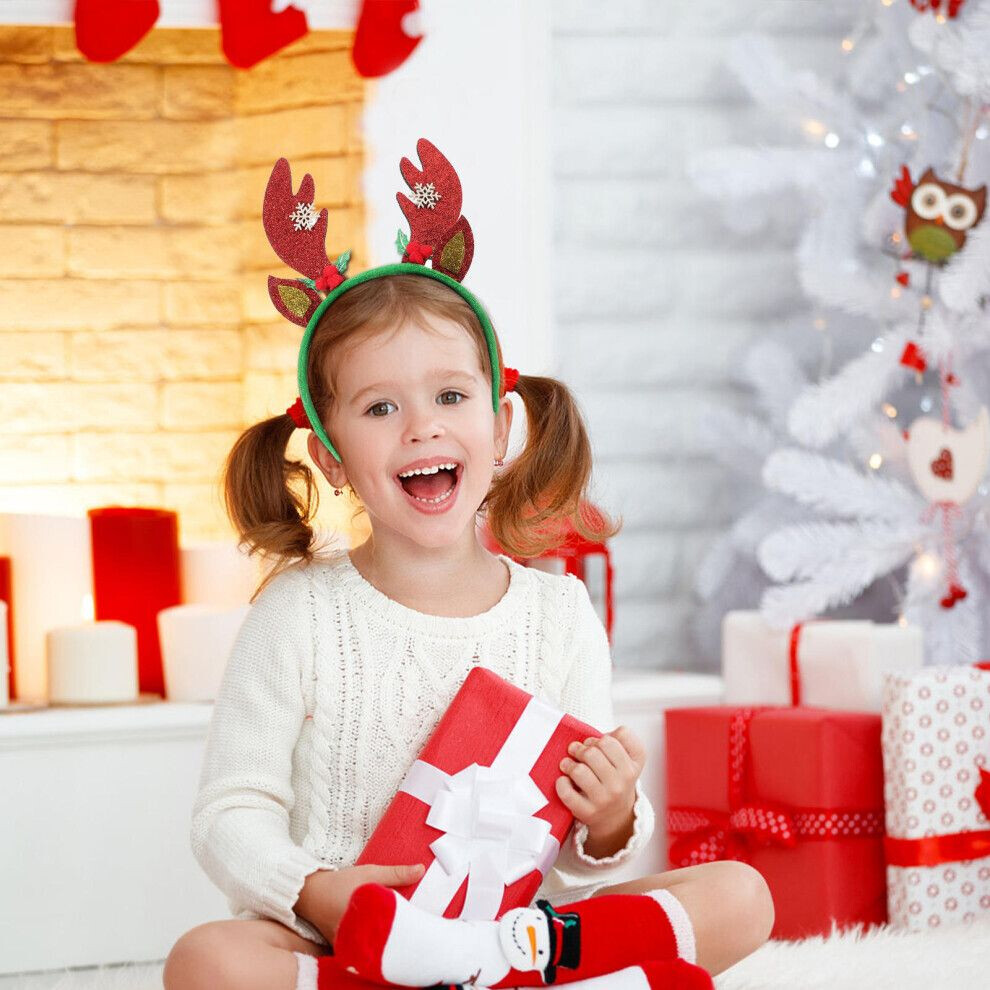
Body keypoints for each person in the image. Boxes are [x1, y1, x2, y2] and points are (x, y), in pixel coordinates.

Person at [163, 144, 773, 990]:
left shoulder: (557, 615)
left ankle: (483, 970)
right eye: (381, 408)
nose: (422, 427)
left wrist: (608, 816)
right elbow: (230, 812)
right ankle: (434, 974)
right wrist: (318, 892)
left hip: (517, 929)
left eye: (450, 396)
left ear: (500, 425)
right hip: (348, 939)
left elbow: (582, 859)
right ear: (334, 458)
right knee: (207, 962)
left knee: (741, 894)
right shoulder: (301, 614)